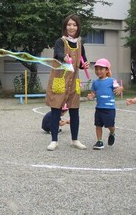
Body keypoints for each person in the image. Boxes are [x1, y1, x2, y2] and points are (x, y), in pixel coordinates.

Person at [45, 14, 90, 151]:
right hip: (60, 79)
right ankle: (54, 140)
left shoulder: (79, 44)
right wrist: (64, 57)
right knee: (56, 110)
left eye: (74, 25)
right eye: (69, 24)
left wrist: (85, 65)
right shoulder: (60, 41)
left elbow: (82, 62)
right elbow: (58, 54)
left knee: (75, 110)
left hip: (74, 81)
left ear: (78, 27)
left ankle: (75, 140)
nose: (72, 27)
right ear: (65, 26)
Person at [87, 58, 124, 150]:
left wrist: (120, 88)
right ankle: (99, 141)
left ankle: (112, 133)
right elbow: (93, 93)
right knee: (98, 125)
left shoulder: (111, 80)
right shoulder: (95, 83)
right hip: (99, 108)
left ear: (107, 70)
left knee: (110, 125)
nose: (98, 71)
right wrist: (91, 96)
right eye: (96, 69)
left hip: (109, 108)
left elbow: (119, 87)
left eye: (101, 69)